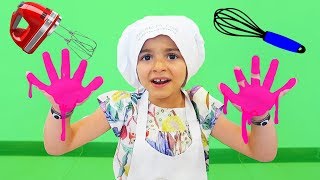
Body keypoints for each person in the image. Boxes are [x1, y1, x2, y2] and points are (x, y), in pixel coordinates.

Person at [26, 16, 296, 180]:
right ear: (135, 65)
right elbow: (58, 147)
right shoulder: (123, 106)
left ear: (189, 62)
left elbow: (261, 153)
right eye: (146, 56)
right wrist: (59, 112)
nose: (158, 66)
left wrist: (261, 118)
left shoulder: (201, 107)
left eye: (172, 55)